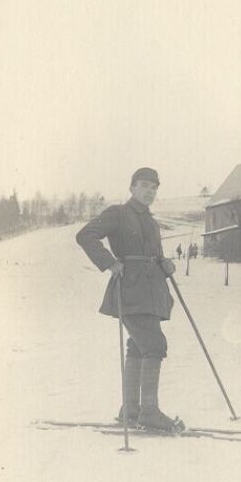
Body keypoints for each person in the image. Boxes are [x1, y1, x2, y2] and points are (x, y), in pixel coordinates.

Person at [75, 167, 181, 431]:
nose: (149, 191)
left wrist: (165, 263)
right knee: (154, 344)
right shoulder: (118, 214)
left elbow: (153, 254)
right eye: (144, 185)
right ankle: (149, 413)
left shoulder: (151, 221)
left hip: (151, 291)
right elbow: (85, 235)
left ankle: (132, 410)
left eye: (154, 187)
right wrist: (109, 263)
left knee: (138, 346)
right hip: (130, 290)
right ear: (132, 187)